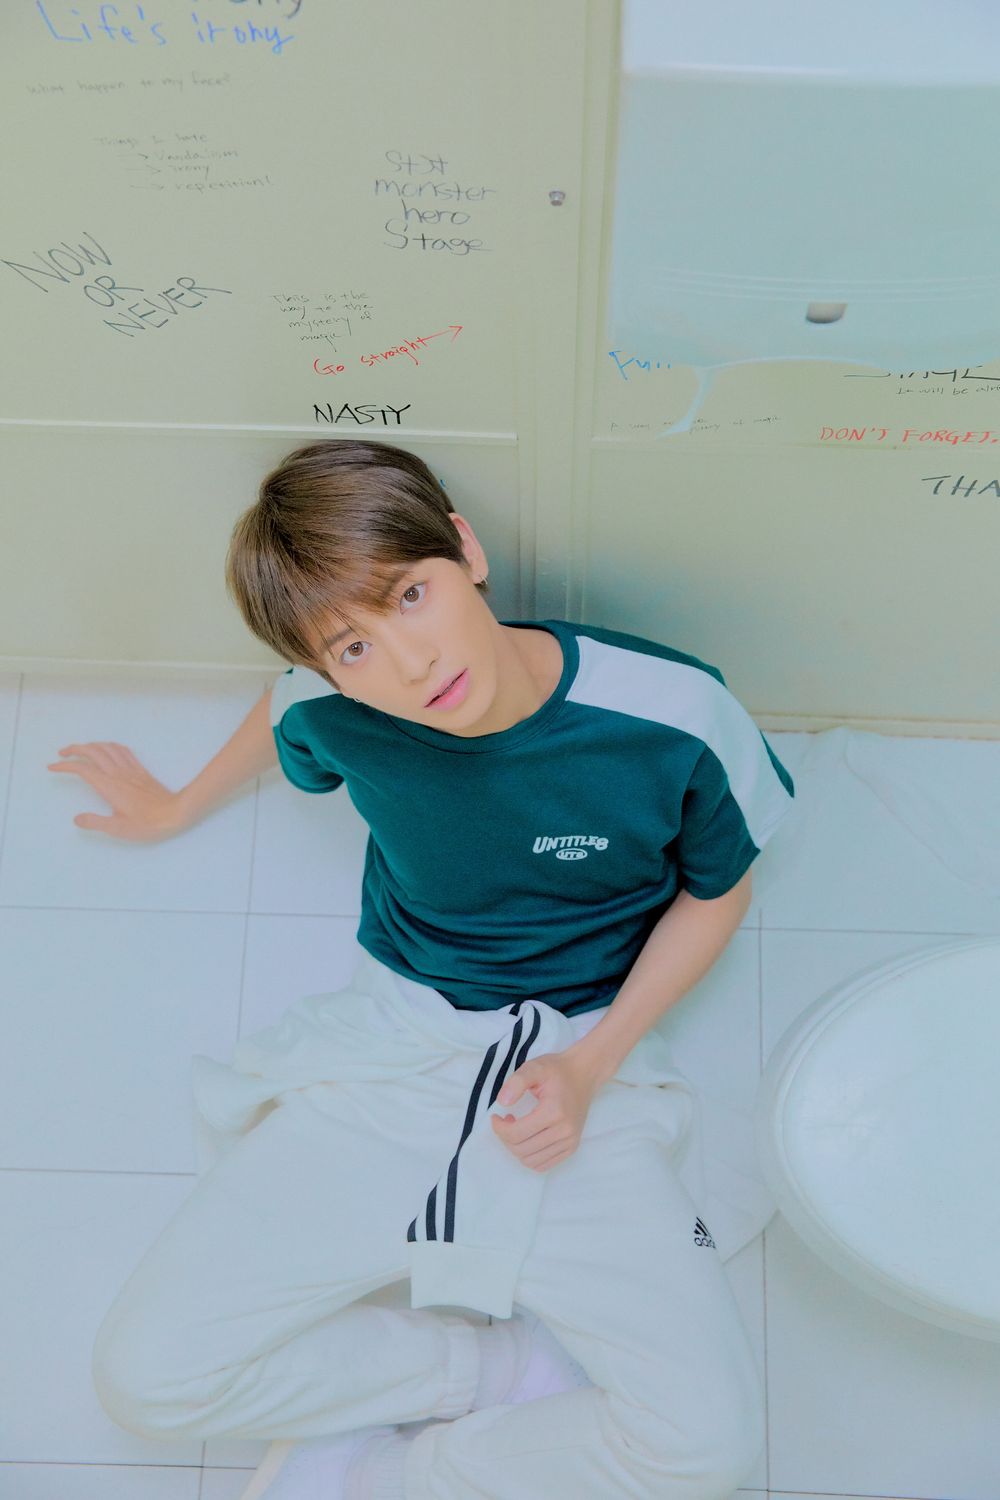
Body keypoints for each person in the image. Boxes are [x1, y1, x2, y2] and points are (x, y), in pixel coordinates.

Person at [49, 439, 796, 1500]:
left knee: (708, 1451)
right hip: (391, 1052)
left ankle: (401, 1473)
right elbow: (282, 710)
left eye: (410, 595)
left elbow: (718, 892)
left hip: (581, 1062)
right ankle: (482, 1372)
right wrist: (174, 807)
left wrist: (591, 1068)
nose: (408, 664)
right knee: (147, 1381)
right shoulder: (338, 711)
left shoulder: (670, 713)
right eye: (351, 646)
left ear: (465, 551)